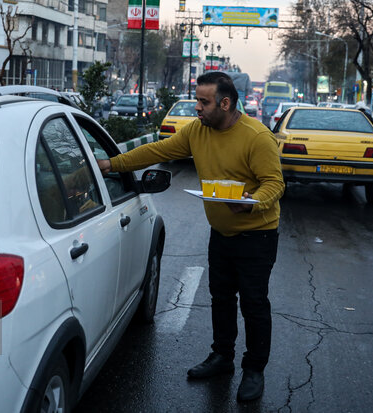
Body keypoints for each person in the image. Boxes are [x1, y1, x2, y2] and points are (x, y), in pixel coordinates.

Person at [97, 72, 284, 402]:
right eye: (197, 100)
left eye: (204, 102)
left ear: (225, 103)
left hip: (257, 235)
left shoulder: (257, 137)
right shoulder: (198, 131)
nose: (196, 107)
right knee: (221, 298)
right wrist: (111, 165)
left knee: (254, 305)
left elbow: (274, 184)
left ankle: (254, 369)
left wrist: (251, 204)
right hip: (221, 234)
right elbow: (157, 149)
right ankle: (222, 358)